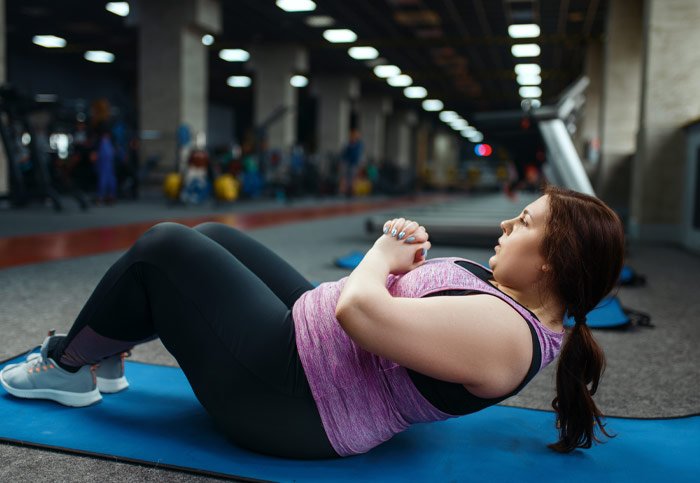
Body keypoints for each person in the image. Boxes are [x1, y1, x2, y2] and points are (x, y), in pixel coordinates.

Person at [0, 185, 624, 459]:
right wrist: (410, 261)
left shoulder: (508, 338)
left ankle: (68, 366)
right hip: (306, 346)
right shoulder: (502, 294)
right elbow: (405, 304)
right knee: (214, 234)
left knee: (166, 246)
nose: (505, 226)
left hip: (295, 403)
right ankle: (105, 348)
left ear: (550, 259)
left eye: (523, 223)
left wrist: (383, 254)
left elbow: (360, 311)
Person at [339, 128, 364, 198]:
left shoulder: (359, 145)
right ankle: (345, 191)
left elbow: (359, 155)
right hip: (347, 163)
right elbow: (344, 154)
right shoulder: (348, 143)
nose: (355, 136)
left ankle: (352, 192)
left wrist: (360, 164)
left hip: (354, 164)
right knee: (345, 178)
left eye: (356, 135)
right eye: (354, 135)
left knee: (353, 178)